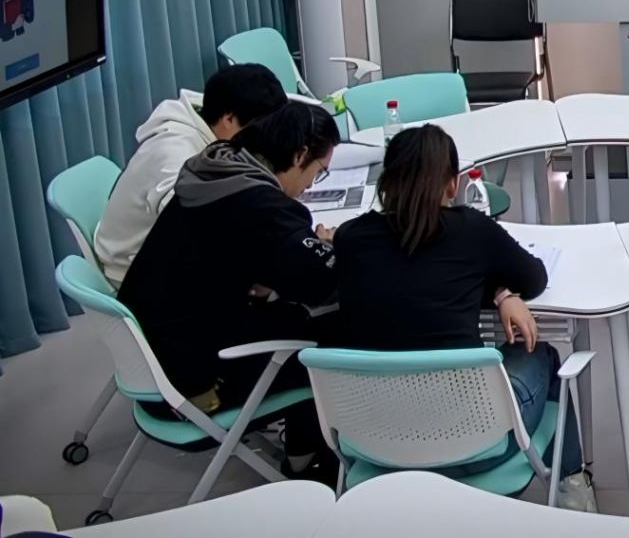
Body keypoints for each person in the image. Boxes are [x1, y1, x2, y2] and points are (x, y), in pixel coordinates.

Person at [331, 125, 592, 510]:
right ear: (453, 184)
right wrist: (502, 292)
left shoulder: (350, 239)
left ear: (385, 181)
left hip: (373, 443)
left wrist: (495, 291)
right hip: (475, 444)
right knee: (540, 353)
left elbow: (407, 279)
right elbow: (534, 278)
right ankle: (573, 488)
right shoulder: (472, 230)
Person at [117, 103, 341, 477]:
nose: (308, 187)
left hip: (154, 356)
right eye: (318, 172)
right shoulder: (263, 207)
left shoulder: (215, 168)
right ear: (300, 155)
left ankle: (304, 448)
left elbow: (230, 250)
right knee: (333, 333)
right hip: (194, 383)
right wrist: (332, 245)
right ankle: (306, 462)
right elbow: (321, 283)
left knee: (293, 313)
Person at [95, 63, 287, 286]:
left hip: (156, 251)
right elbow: (191, 226)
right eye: (259, 129)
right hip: (133, 271)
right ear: (229, 119)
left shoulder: (210, 119)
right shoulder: (176, 153)